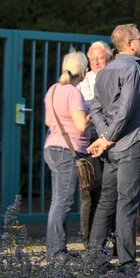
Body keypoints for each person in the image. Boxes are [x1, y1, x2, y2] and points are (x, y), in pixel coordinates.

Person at [87, 24, 140, 267]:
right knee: (127, 202)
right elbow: (125, 110)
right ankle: (126, 263)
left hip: (112, 147)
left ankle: (94, 259)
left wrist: (105, 135)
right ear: (129, 43)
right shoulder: (133, 69)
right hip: (130, 143)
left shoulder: (105, 71)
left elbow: (95, 108)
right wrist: (109, 137)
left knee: (107, 200)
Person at [44, 51, 91, 257]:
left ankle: (56, 248)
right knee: (62, 201)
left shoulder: (53, 90)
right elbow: (81, 125)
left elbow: (48, 121)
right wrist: (94, 111)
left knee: (58, 200)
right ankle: (55, 251)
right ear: (82, 71)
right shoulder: (73, 93)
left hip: (52, 147)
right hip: (67, 150)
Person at [77, 41, 113, 243]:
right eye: (92, 58)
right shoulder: (83, 82)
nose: (96, 62)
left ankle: (116, 238)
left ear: (108, 58)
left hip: (113, 140)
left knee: (114, 189)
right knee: (89, 190)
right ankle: (88, 238)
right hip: (89, 140)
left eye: (100, 57)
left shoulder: (115, 77)